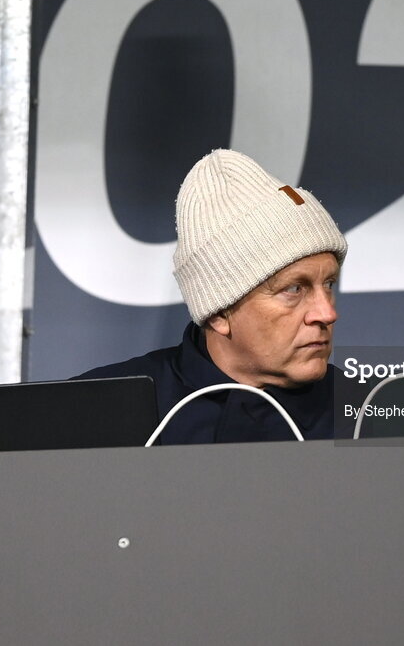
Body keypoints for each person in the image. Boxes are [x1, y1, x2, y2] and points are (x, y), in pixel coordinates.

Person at [77, 149, 347, 443]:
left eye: (329, 284)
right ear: (219, 312)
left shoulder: (377, 410)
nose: (327, 313)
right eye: (294, 289)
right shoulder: (97, 408)